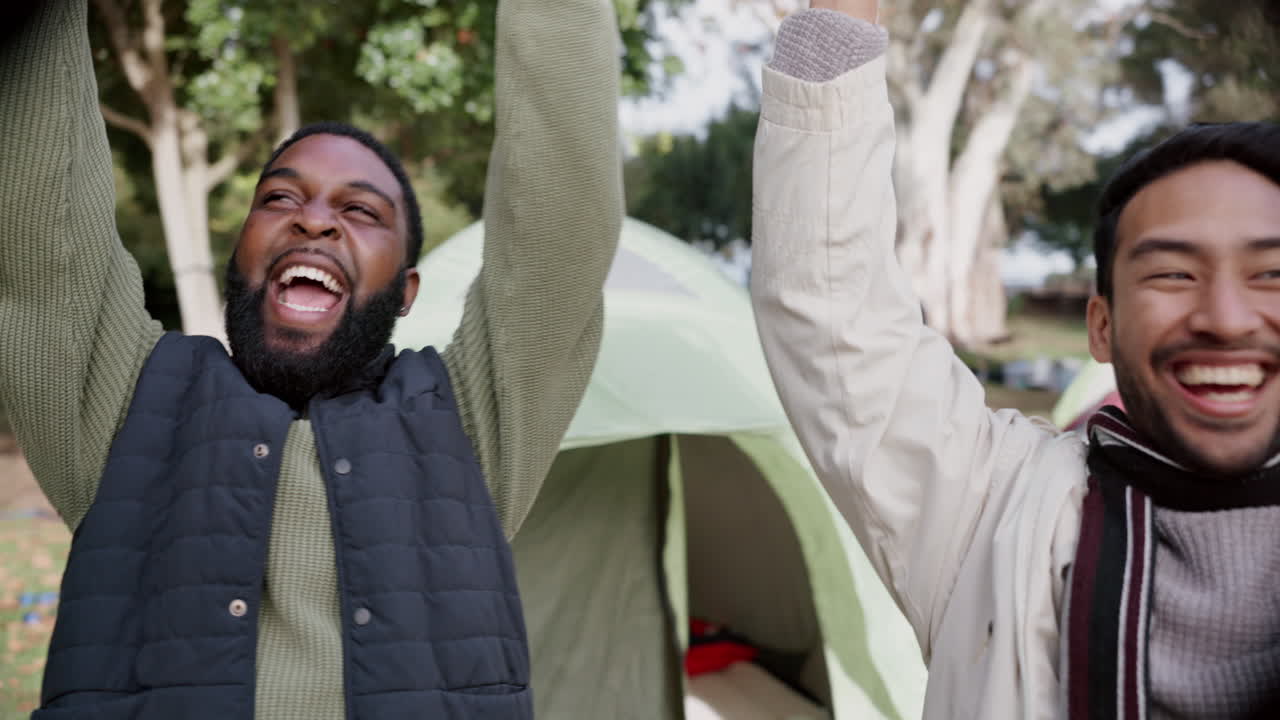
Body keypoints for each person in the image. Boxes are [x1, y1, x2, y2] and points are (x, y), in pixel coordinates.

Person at [0, 0, 621, 717]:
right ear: (240, 256)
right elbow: (42, 218)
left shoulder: (467, 427)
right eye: (279, 198)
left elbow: (559, 222)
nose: (315, 218)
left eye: (361, 211)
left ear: (405, 289)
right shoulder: (128, 409)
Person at [751, 1, 1280, 718]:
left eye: (1271, 274)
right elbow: (831, 309)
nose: (1224, 318)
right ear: (1101, 327)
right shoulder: (996, 511)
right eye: (1172, 274)